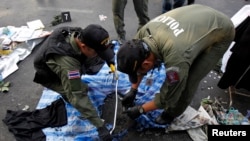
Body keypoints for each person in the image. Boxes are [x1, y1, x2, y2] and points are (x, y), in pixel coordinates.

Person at [117, 4, 235, 125]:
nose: (138, 75)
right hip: (198, 14)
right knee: (186, 60)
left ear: (146, 64)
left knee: (188, 81)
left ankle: (172, 113)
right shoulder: (141, 37)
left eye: (138, 72)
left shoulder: (176, 60)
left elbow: (167, 96)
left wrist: (141, 109)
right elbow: (138, 65)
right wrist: (133, 90)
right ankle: (193, 50)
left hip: (222, 30)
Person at [33, 24, 115, 141]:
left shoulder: (79, 32)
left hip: (62, 59)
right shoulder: (69, 67)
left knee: (87, 70)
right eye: (96, 52)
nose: (98, 55)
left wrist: (109, 59)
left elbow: (101, 49)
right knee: (75, 92)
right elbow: (78, 95)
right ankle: (65, 93)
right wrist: (100, 126)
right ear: (83, 46)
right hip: (48, 73)